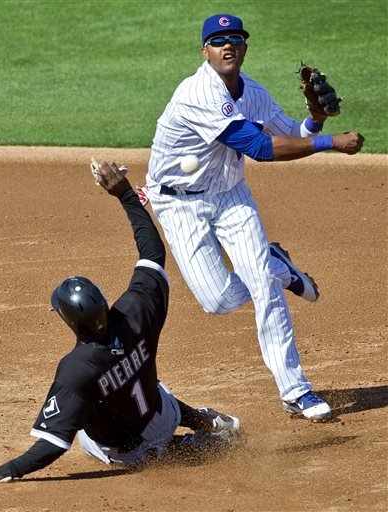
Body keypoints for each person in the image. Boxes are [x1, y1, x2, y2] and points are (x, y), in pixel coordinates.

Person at [140, 14, 365, 422]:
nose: (228, 45)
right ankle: (277, 263)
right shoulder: (197, 94)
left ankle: (296, 392)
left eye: (236, 38)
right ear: (205, 50)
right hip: (177, 202)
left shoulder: (254, 93)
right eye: (218, 40)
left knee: (263, 285)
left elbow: (292, 131)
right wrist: (330, 141)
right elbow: (260, 148)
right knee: (218, 301)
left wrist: (316, 117)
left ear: (244, 47)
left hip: (230, 196)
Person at [0, 162, 240, 485]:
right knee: (155, 390)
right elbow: (153, 252)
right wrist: (125, 194)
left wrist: (5, 470)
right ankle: (205, 422)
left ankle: (186, 448)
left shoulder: (75, 369)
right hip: (161, 416)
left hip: (124, 451)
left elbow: (53, 443)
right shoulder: (133, 311)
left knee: (86, 434)